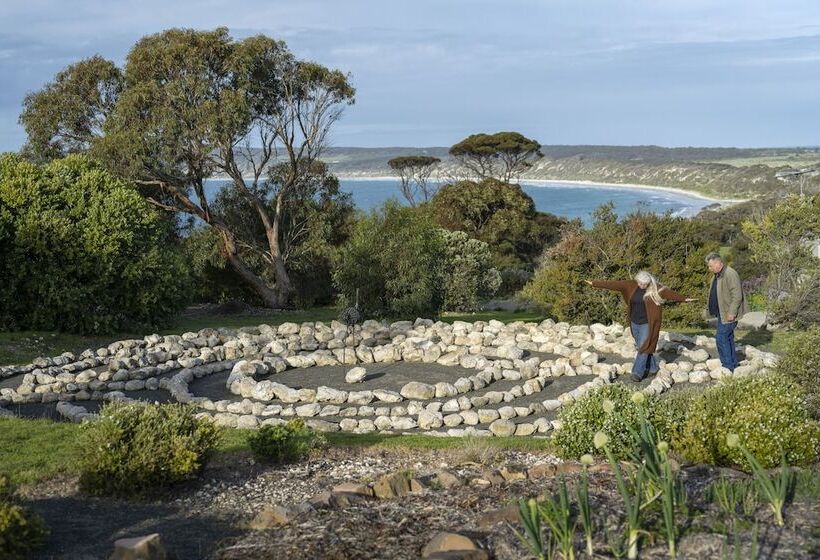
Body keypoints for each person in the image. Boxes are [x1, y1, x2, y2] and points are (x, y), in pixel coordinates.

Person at [586, 272, 695, 382]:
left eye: (644, 284)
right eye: (640, 283)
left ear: (649, 282)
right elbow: (614, 284)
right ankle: (653, 368)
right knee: (643, 347)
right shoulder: (631, 285)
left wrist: (684, 298)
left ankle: (637, 372)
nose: (642, 285)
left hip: (647, 323)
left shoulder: (656, 289)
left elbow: (670, 294)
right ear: (637, 280)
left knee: (643, 347)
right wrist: (594, 283)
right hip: (634, 322)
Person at [705, 252, 747, 371]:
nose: (709, 268)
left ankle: (727, 366)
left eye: (710, 266)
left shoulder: (730, 274)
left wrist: (732, 312)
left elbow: (737, 295)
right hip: (722, 313)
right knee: (727, 338)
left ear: (718, 263)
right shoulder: (717, 275)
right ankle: (732, 364)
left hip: (729, 313)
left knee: (721, 338)